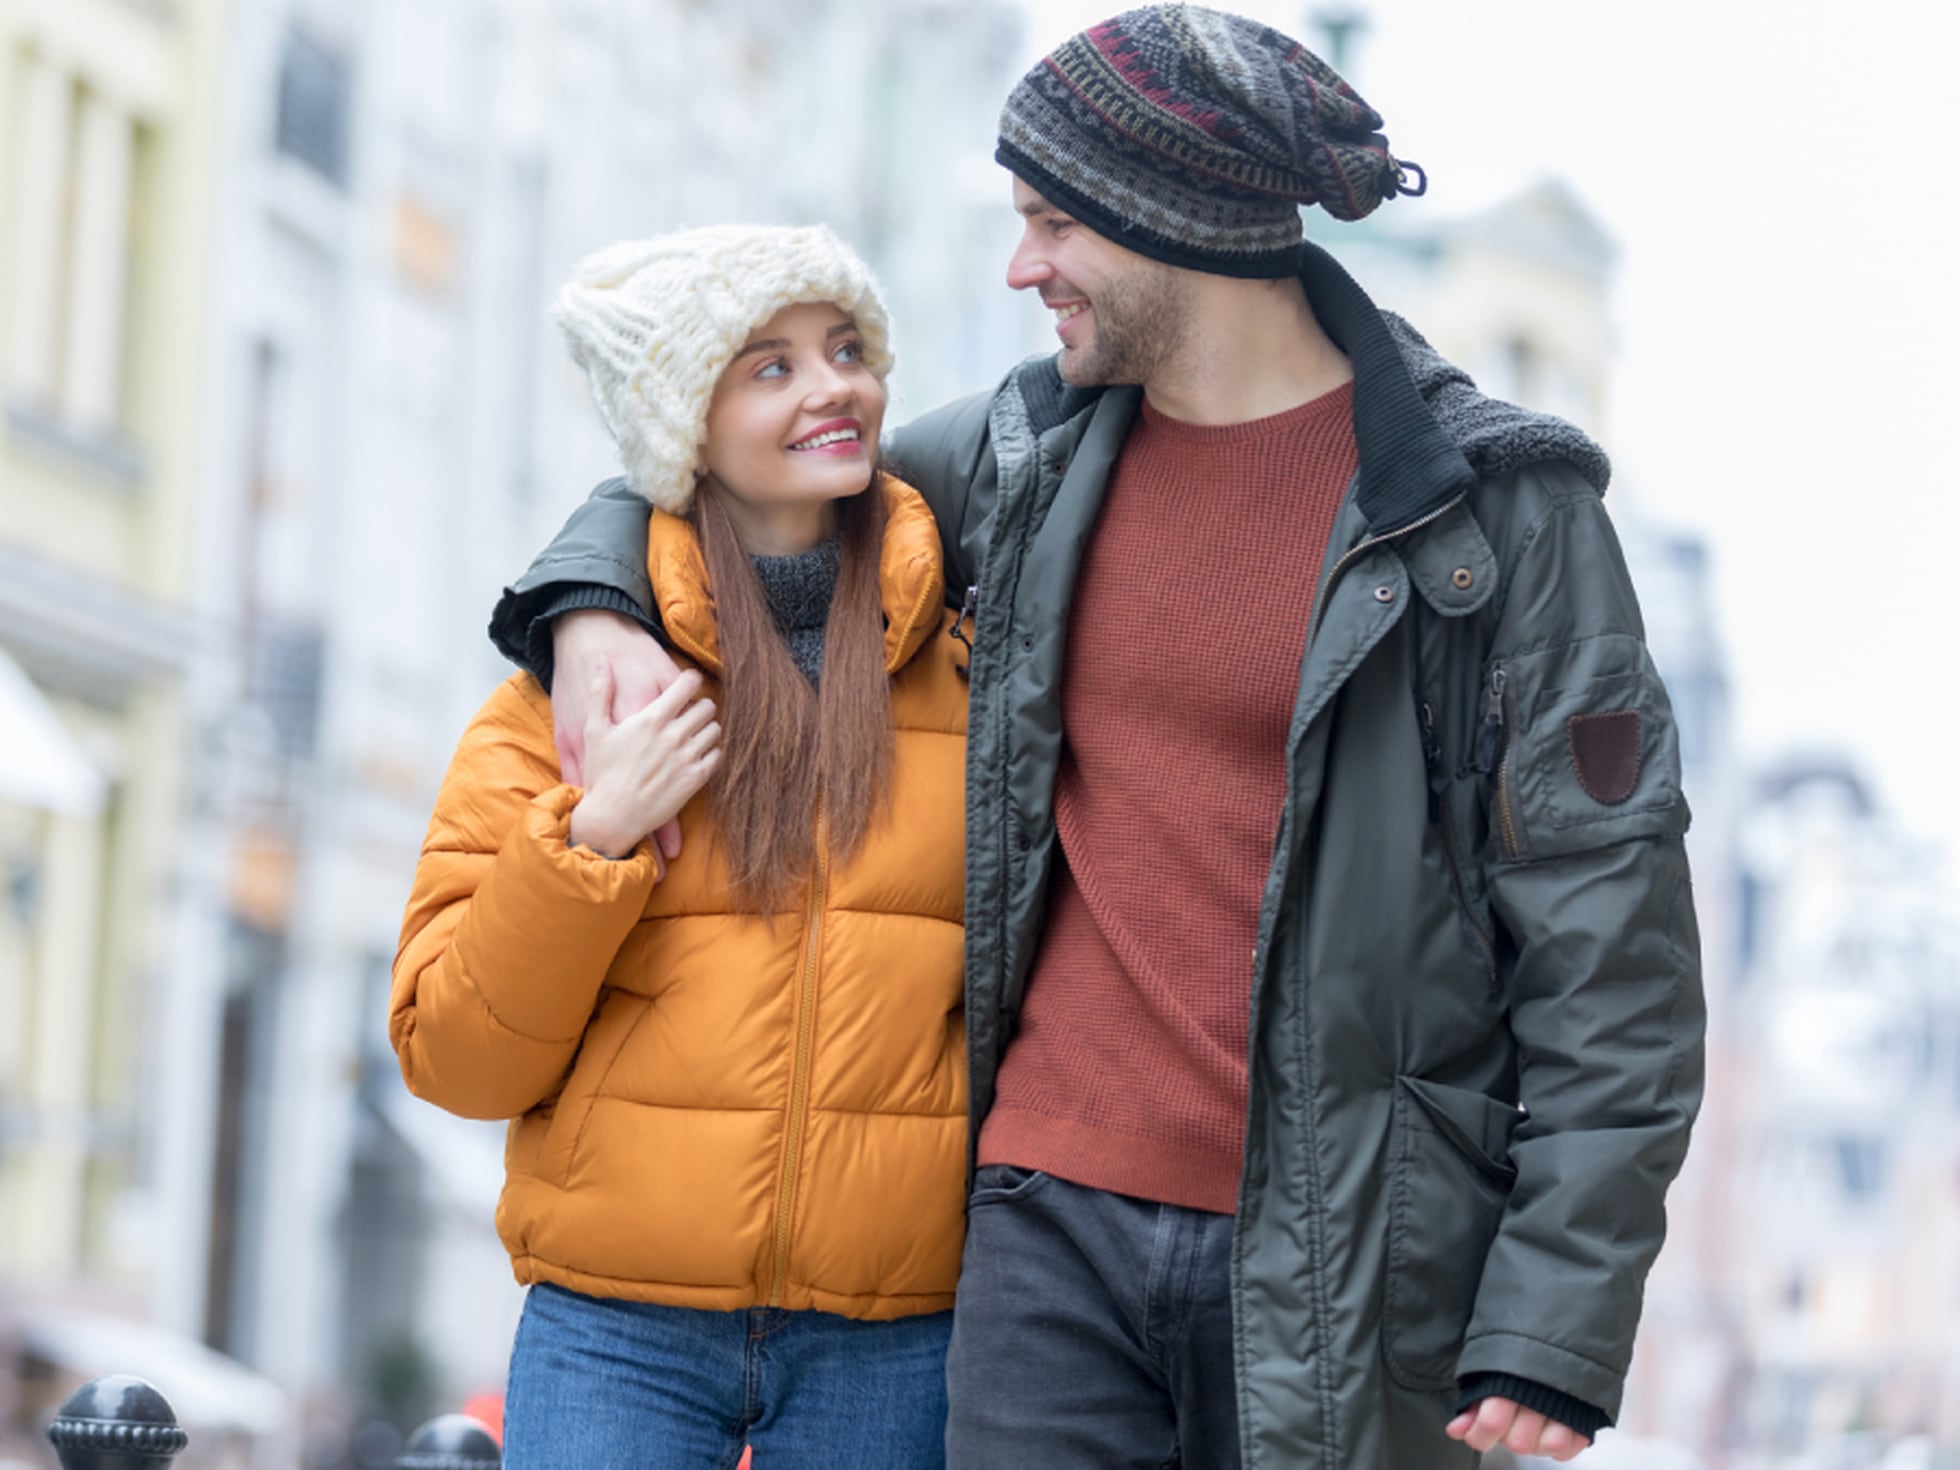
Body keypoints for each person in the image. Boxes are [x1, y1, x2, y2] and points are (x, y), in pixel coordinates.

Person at [485, 8, 1707, 1468]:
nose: (1023, 267)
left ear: (1173, 219)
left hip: (1356, 1260)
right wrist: (594, 597)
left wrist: (1555, 1314)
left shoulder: (1497, 516)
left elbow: (1613, 955)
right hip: (1041, 1235)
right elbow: (732, 479)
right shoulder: (1019, 454)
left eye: (1054, 222)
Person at [389, 224, 971, 1470]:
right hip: (618, 1329)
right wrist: (591, 841)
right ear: (681, 424)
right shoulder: (560, 712)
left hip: (895, 1335)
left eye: (846, 349)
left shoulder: (979, 680)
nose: (832, 389)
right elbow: (453, 1061)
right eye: (767, 366)